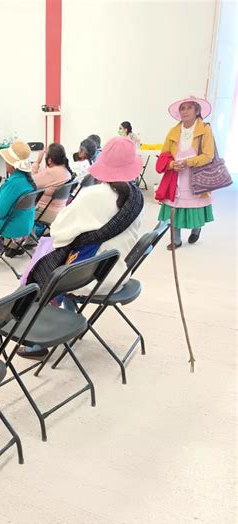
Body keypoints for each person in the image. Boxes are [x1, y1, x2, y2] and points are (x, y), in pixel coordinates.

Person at [18, 137, 144, 358]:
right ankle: (72, 322)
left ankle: (37, 344)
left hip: (90, 279)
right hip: (117, 273)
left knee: (45, 268)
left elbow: (58, 231)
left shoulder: (93, 195)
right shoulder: (137, 198)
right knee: (70, 259)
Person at [157, 95, 214, 249]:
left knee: (197, 203)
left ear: (197, 111)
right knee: (174, 205)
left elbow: (209, 155)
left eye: (189, 107)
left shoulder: (205, 129)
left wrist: (188, 162)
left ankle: (197, 228)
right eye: (182, 108)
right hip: (176, 176)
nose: (185, 111)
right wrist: (171, 164)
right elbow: (163, 155)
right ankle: (176, 239)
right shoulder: (173, 131)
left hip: (197, 175)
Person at [31, 143, 74, 224]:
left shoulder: (50, 173)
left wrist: (37, 162)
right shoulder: (66, 171)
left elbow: (30, 182)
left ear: (50, 160)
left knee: (21, 212)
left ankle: (28, 236)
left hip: (46, 212)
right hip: (61, 210)